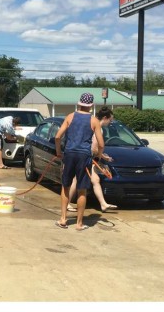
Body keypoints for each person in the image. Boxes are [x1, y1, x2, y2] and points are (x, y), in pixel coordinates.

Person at [54, 93, 105, 230]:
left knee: (66, 186)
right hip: (84, 156)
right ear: (91, 106)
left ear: (79, 103)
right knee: (82, 190)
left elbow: (58, 137)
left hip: (69, 154)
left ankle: (63, 219)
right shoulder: (94, 121)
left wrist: (59, 152)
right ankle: (79, 223)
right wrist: (98, 157)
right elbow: (101, 144)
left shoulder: (70, 117)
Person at [67, 106, 116, 213]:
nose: (110, 122)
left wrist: (101, 156)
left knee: (95, 180)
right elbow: (94, 147)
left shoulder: (93, 123)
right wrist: (101, 156)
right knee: (76, 180)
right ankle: (67, 203)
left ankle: (103, 204)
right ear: (105, 118)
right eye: (110, 120)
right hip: (86, 157)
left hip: (84, 155)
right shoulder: (98, 127)